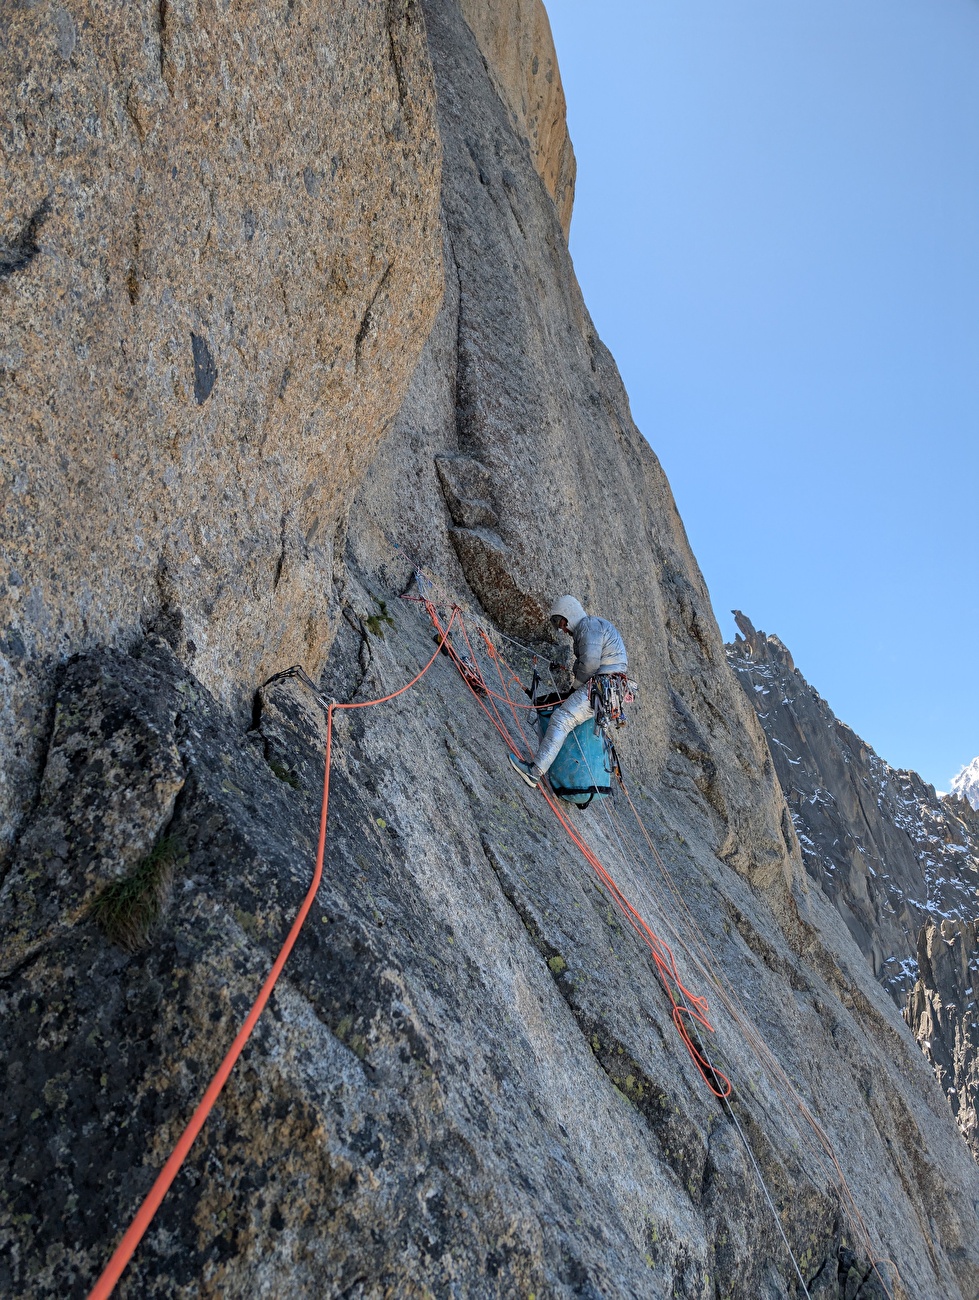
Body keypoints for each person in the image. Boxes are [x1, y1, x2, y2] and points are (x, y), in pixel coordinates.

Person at [508, 595, 628, 789]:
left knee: (561, 719)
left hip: (602, 685)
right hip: (609, 689)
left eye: (561, 622)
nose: (562, 629)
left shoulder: (587, 626)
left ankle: (534, 772)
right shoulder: (591, 627)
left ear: (568, 613)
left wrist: (573, 689)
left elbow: (589, 664)